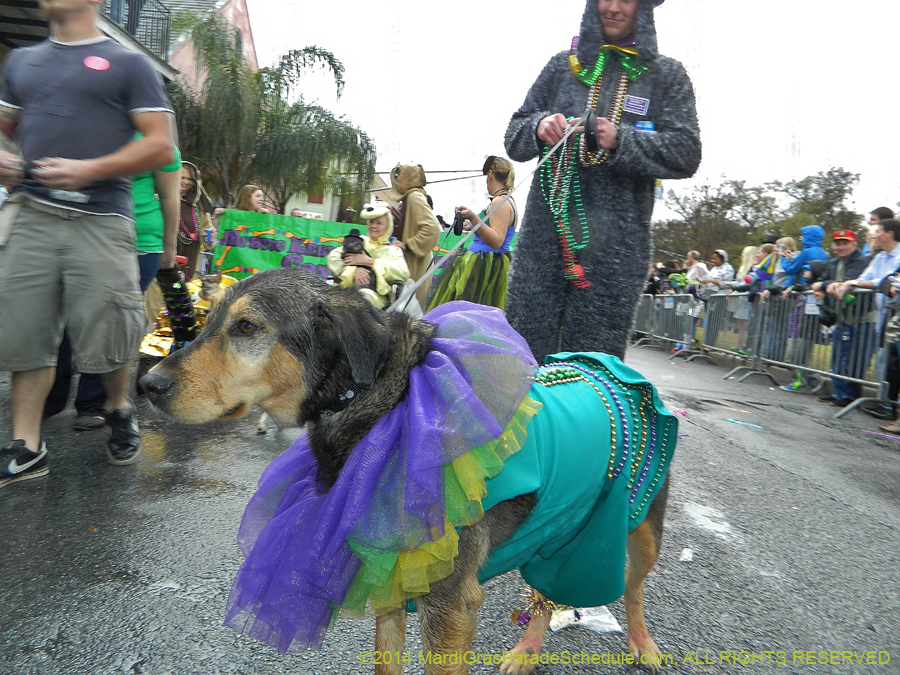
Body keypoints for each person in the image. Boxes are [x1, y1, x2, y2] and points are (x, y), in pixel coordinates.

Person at [0, 0, 175, 487]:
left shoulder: (129, 64)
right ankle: (27, 446)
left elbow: (160, 144)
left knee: (109, 329)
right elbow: (5, 127)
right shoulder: (21, 61)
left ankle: (118, 406)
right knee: (26, 330)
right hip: (30, 213)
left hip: (100, 217)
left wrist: (89, 170)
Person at [503, 0, 701, 362]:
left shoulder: (666, 75)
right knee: (523, 354)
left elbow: (686, 152)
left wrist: (621, 139)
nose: (612, 7)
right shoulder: (562, 66)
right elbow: (514, 137)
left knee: (593, 369)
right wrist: (538, 125)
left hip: (616, 251)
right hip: (544, 242)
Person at [43, 136, 183, 430]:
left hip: (142, 243)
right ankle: (51, 395)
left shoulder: (158, 144)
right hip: (83, 234)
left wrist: (169, 246)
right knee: (64, 317)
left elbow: (170, 197)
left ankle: (94, 402)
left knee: (111, 320)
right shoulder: (90, 127)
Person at [428, 156, 518, 310]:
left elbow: (497, 241)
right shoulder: (509, 201)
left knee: (466, 314)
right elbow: (494, 228)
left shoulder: (499, 202)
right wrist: (472, 225)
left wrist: (473, 217)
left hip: (483, 266)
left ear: (490, 175)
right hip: (492, 264)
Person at [809, 229, 872, 406]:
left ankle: (850, 395)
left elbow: (847, 280)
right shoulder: (834, 262)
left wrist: (824, 285)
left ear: (854, 244)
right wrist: (823, 285)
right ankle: (839, 393)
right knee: (838, 355)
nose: (841, 247)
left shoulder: (861, 261)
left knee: (854, 358)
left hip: (860, 317)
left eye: (845, 243)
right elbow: (818, 281)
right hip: (840, 317)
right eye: (838, 243)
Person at [326, 201, 410, 309]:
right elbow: (333, 258)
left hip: (377, 300)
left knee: (364, 296)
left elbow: (402, 273)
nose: (374, 226)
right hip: (347, 292)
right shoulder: (359, 241)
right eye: (371, 222)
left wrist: (371, 262)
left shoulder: (393, 250)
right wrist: (354, 270)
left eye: (379, 223)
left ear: (388, 226)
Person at [387, 163, 440, 308]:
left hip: (417, 264)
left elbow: (432, 227)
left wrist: (408, 245)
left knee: (411, 312)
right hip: (414, 263)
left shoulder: (414, 197)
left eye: (399, 177)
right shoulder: (411, 197)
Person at [178, 162, 215, 279]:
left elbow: (207, 231)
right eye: (182, 177)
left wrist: (209, 236)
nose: (185, 182)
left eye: (189, 179)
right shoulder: (159, 199)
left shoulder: (199, 205)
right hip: (162, 261)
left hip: (191, 266)